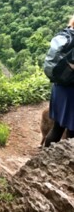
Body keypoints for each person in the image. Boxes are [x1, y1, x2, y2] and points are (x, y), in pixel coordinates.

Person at [44, 14, 74, 147]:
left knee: (57, 128)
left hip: (59, 88)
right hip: (72, 91)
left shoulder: (67, 35)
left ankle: (44, 158)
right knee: (73, 133)